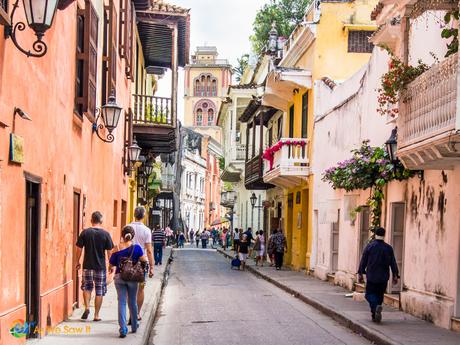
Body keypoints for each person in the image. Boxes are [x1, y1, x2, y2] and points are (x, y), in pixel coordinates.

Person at [109, 226, 148, 338]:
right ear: (133, 236)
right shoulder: (137, 248)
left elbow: (111, 265)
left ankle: (123, 329)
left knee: (121, 302)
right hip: (132, 278)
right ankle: (134, 325)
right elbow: (144, 261)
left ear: (122, 235)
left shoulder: (117, 248)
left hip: (119, 278)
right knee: (132, 302)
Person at [75, 211, 114, 321]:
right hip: (100, 267)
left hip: (87, 266)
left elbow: (78, 248)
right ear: (101, 221)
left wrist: (77, 261)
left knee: (87, 287)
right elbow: (110, 252)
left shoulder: (85, 233)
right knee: (99, 290)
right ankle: (96, 315)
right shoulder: (105, 234)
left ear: (91, 220)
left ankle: (87, 307)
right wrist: (111, 265)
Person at [358, 227, 399, 323]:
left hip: (372, 276)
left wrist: (360, 272)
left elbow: (363, 260)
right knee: (380, 295)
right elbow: (393, 262)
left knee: (369, 295)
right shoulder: (388, 248)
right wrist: (395, 274)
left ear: (375, 234)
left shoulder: (370, 246)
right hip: (384, 277)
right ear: (384, 235)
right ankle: (375, 314)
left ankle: (375, 307)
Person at [127, 206, 154, 321]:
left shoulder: (127, 228)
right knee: (141, 289)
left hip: (128, 262)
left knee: (129, 289)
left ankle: (130, 314)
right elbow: (148, 250)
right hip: (142, 263)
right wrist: (152, 267)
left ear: (134, 214)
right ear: (144, 216)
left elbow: (123, 245)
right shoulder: (146, 230)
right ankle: (137, 313)